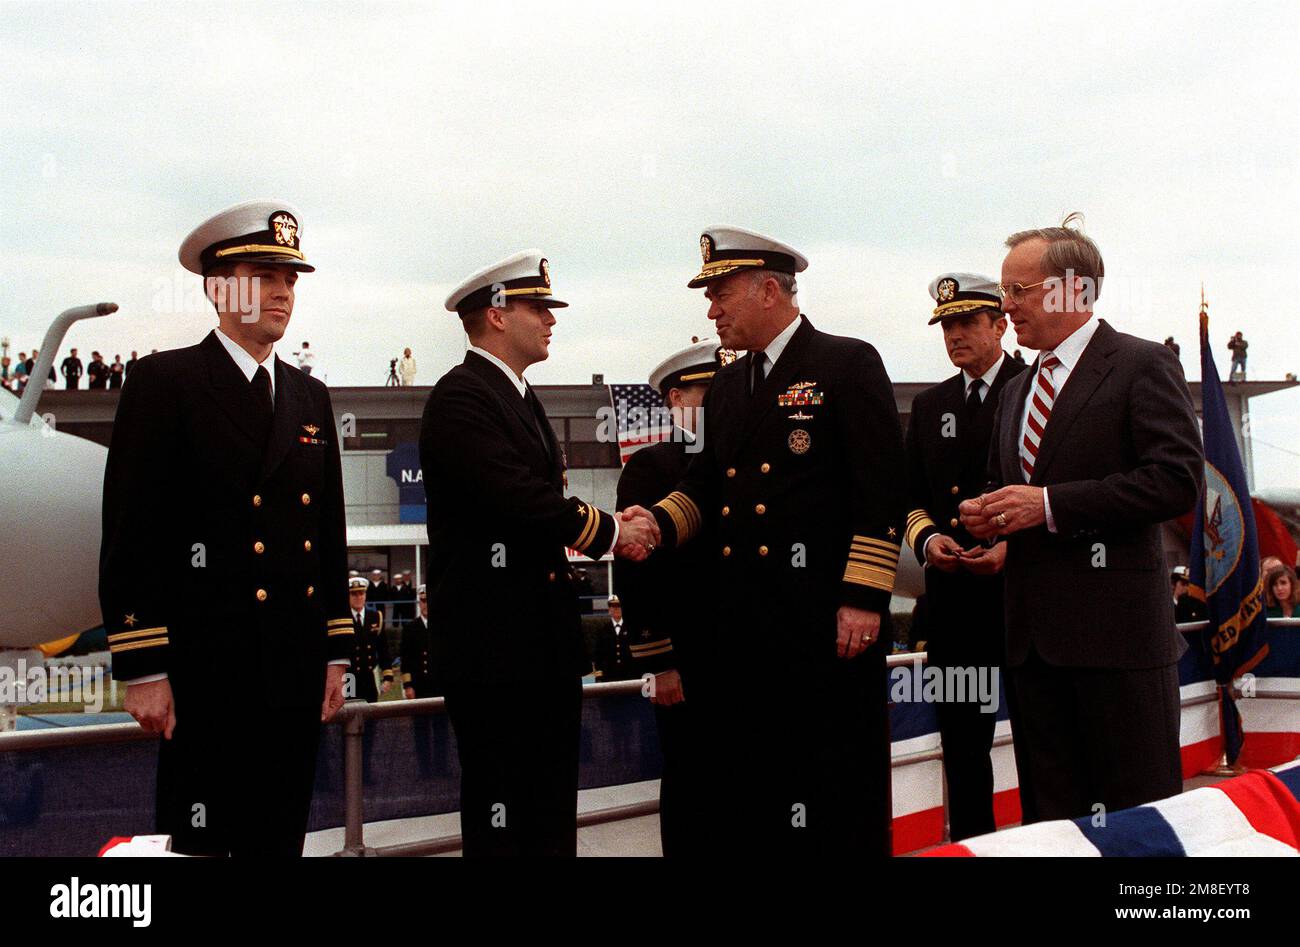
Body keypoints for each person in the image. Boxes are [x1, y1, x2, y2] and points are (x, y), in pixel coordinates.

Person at [633, 226, 907, 856]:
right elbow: (702, 489)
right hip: (745, 633)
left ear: (766, 289)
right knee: (757, 795)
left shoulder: (846, 362)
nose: (711, 310)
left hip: (826, 625)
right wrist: (651, 524)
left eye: (720, 293)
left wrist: (864, 598)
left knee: (834, 789)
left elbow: (881, 488)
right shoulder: (729, 386)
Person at [99, 199, 353, 856]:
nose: (282, 291)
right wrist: (144, 664)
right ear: (218, 287)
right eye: (264, 274)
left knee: (279, 841)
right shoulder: (165, 383)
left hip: (293, 675)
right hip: (206, 674)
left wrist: (334, 653)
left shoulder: (309, 396)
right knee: (202, 846)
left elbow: (326, 536)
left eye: (291, 278)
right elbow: (132, 533)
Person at [959, 214, 1203, 823]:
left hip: (1118, 650)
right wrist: (988, 515)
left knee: (1135, 823)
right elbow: (1009, 486)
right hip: (1032, 651)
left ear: (1074, 290)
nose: (1005, 304)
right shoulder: (1018, 389)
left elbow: (1175, 481)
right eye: (1004, 290)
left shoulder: (1142, 364)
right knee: (1053, 826)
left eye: (1019, 290)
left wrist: (1048, 505)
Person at [419, 248, 657, 856]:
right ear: (497, 315)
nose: (551, 320)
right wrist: (611, 532)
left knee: (549, 811)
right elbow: (517, 497)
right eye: (538, 307)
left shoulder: (520, 396)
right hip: (493, 649)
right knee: (507, 809)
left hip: (539, 646)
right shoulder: (461, 396)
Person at [903, 272, 1026, 841]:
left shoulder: (1037, 387)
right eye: (947, 325)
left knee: (1041, 742)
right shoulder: (931, 406)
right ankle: (975, 848)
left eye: (968, 322)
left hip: (1026, 601)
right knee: (964, 748)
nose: (955, 335)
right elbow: (907, 495)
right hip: (954, 606)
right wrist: (929, 540)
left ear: (1001, 325)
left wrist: (1010, 547)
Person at [614, 336, 729, 855]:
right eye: (711, 390)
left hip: (748, 654)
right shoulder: (651, 466)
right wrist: (659, 660)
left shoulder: (747, 459)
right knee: (692, 788)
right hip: (687, 660)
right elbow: (636, 573)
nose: (723, 400)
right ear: (677, 400)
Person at [346, 577, 388, 702]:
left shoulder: (375, 617)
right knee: (349, 713)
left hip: (369, 676)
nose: (358, 597)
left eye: (361, 593)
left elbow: (383, 648)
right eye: (353, 594)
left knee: (371, 714)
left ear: (365, 595)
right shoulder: (343, 619)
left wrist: (387, 676)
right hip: (349, 677)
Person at [401, 584, 440, 698]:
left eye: (429, 601)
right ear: (419, 603)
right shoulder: (410, 628)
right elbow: (405, 659)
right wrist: (408, 686)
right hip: (418, 685)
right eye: (423, 601)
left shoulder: (442, 626)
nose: (426, 605)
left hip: (439, 684)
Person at [590, 594, 635, 681]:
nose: (616, 608)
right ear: (609, 609)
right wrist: (599, 676)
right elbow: (598, 656)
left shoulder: (632, 629)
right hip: (609, 677)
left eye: (619, 606)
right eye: (613, 606)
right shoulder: (603, 631)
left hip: (630, 676)